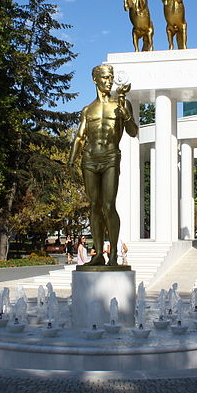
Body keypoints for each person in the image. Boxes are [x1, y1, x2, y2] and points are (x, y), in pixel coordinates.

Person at [68, 64, 138, 266]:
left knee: (108, 205)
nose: (109, 81)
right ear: (95, 80)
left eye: (111, 77)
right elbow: (80, 137)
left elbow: (133, 132)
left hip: (110, 157)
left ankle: (113, 253)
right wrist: (72, 160)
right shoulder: (88, 109)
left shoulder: (120, 105)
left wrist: (125, 112)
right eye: (105, 78)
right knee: (94, 206)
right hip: (89, 159)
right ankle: (98, 253)